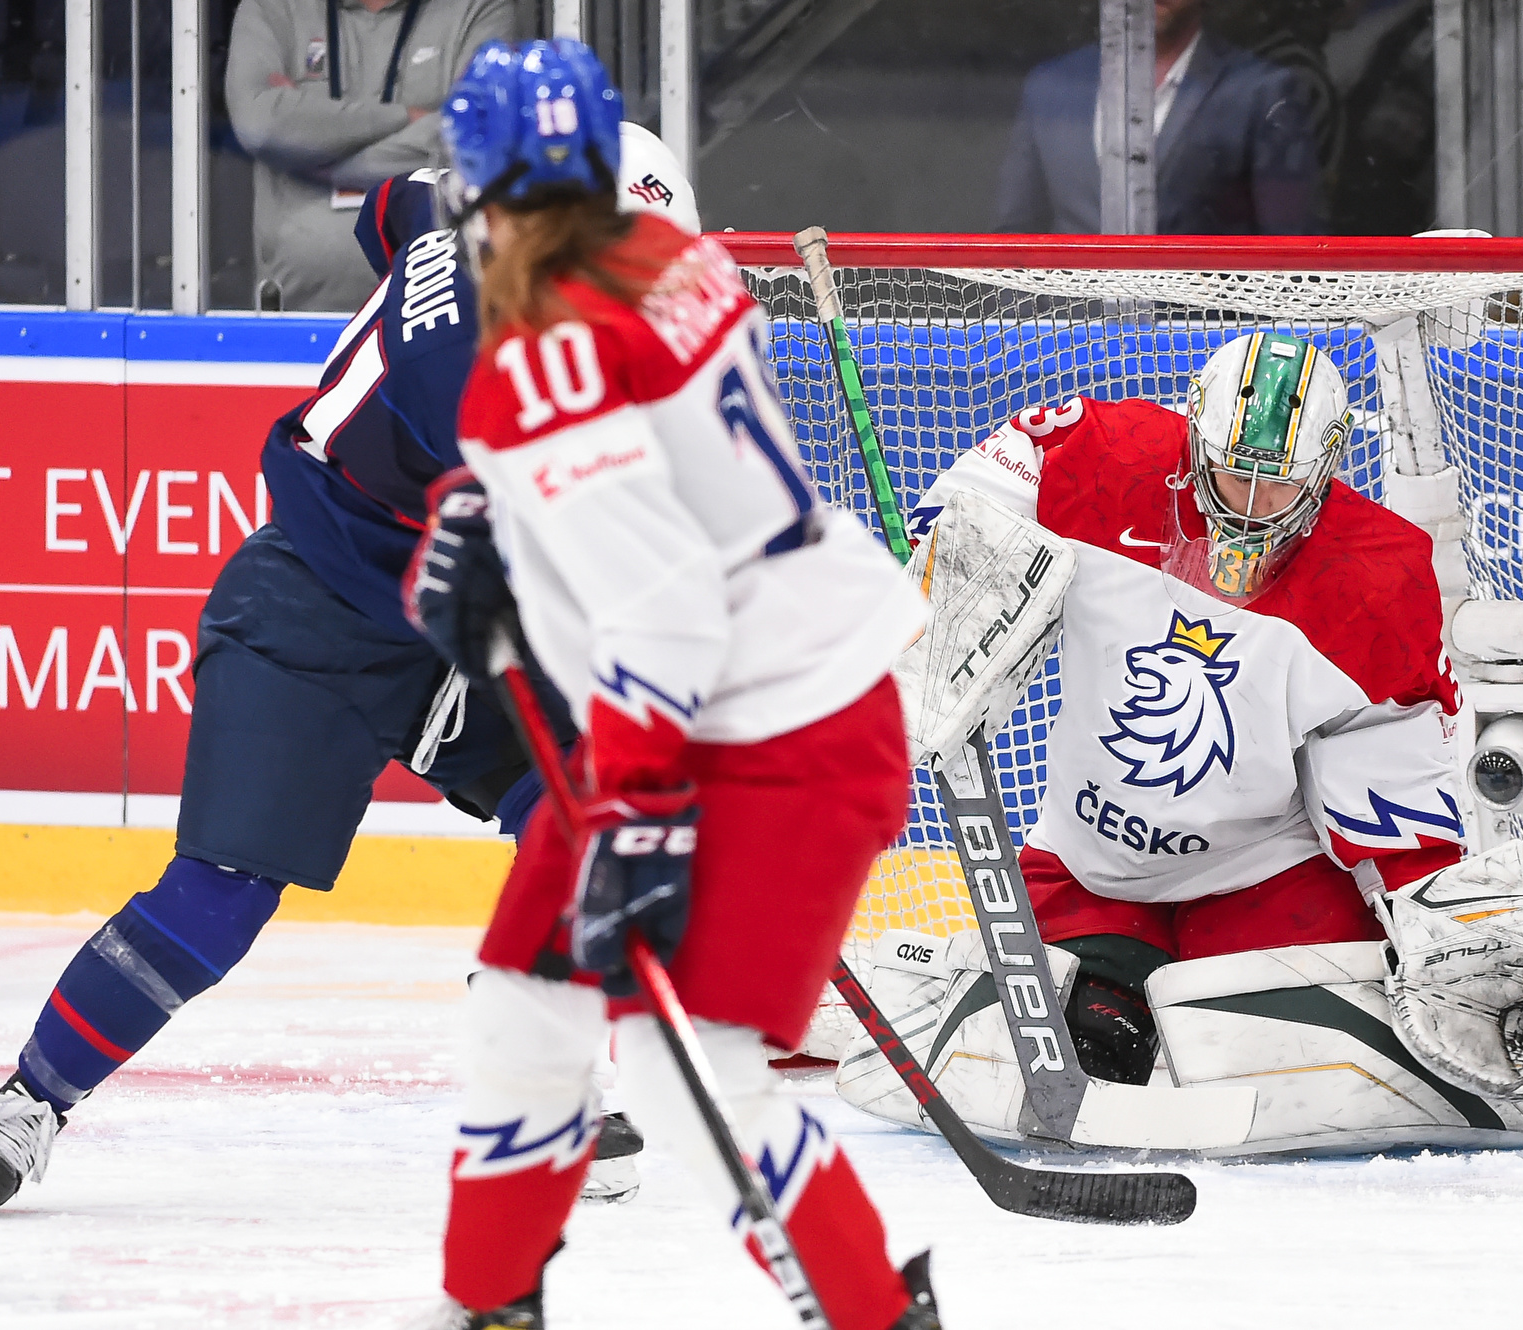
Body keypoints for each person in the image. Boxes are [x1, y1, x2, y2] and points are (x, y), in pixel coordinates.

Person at [0, 123, 701, 1216]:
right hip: (320, 608)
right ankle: (28, 1102)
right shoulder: (472, 372)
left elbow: (394, 210)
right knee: (218, 897)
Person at [835, 332, 1523, 1155]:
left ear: (1327, 468)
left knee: (1276, 1056)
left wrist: (1433, 914)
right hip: (1092, 866)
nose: (1247, 504)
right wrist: (942, 583)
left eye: (1276, 485)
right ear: (1193, 436)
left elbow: (1387, 761)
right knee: (1097, 1046)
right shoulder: (1105, 460)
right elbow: (998, 477)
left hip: (1267, 873)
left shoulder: (1375, 576)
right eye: (1230, 472)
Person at [399, 39, 937, 1330]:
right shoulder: (670, 257)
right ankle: (487, 1303)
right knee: (527, 1005)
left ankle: (869, 1313)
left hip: (758, 734)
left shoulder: (542, 357)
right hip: (728, 696)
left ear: (479, 192)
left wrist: (639, 810)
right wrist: (504, 519)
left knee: (685, 1067)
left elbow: (661, 601)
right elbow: (666, 487)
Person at [225, 0, 520, 312]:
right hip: (295, 314)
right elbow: (260, 125)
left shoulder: (479, 7)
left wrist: (314, 155)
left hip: (434, 312)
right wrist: (408, 118)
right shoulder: (271, 7)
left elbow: (473, 135)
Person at [994, 0, 1322, 234]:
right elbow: (1014, 240)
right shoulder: (1050, 87)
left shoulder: (1261, 91)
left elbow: (1293, 255)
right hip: (1073, 313)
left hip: (1205, 314)